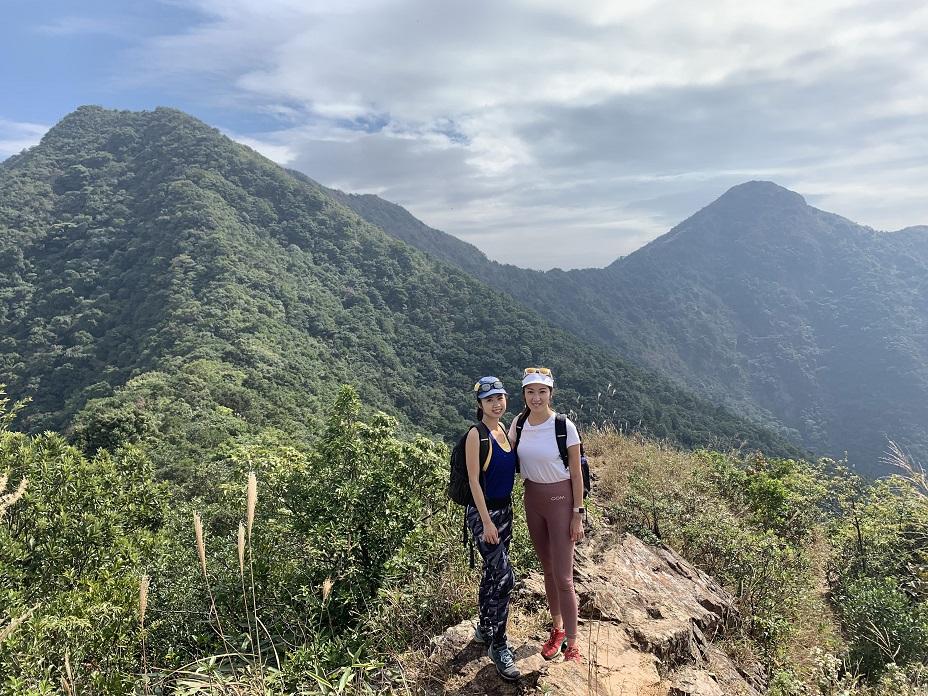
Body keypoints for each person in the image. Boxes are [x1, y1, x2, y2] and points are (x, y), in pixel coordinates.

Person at [510, 367, 584, 663]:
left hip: (561, 500)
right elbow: (506, 455)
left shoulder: (564, 426)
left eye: (542, 391)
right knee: (548, 570)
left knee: (564, 577)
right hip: (533, 499)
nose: (536, 397)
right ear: (524, 394)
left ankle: (574, 645)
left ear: (550, 393)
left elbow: (577, 475)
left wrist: (577, 513)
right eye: (530, 391)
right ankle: (558, 629)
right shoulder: (518, 423)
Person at [466, 376, 520, 681]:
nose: (496, 404)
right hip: (483, 514)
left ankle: (485, 628)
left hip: (505, 511)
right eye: (489, 400)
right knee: (504, 576)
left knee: (491, 572)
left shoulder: (504, 431)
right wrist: (486, 522)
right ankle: (499, 645)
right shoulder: (478, 434)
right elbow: (474, 481)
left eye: (499, 398)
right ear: (480, 405)